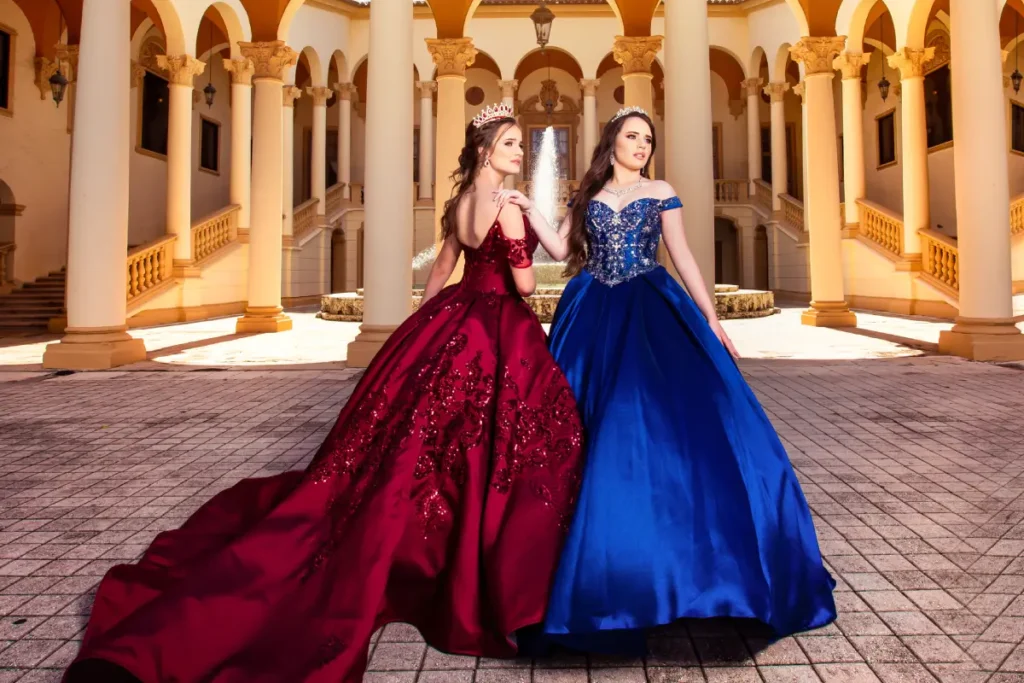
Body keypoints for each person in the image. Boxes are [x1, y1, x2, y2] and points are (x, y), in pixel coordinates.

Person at [63, 103, 585, 683]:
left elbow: (440, 269)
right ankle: (484, 557)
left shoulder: (460, 204)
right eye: (511, 143)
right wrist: (523, 229)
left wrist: (425, 325)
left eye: (520, 144)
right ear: (487, 150)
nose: (520, 150)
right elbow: (526, 283)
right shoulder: (507, 211)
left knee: (428, 441)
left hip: (453, 319)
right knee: (527, 435)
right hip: (497, 328)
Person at [495, 107, 837, 655]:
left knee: (667, 427)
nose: (641, 145)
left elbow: (683, 258)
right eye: (632, 137)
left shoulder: (661, 191)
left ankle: (685, 568)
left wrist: (712, 318)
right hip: (591, 312)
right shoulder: (586, 200)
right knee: (586, 431)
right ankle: (593, 571)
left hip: (650, 308)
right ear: (612, 142)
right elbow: (560, 252)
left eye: (648, 139)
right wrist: (526, 204)